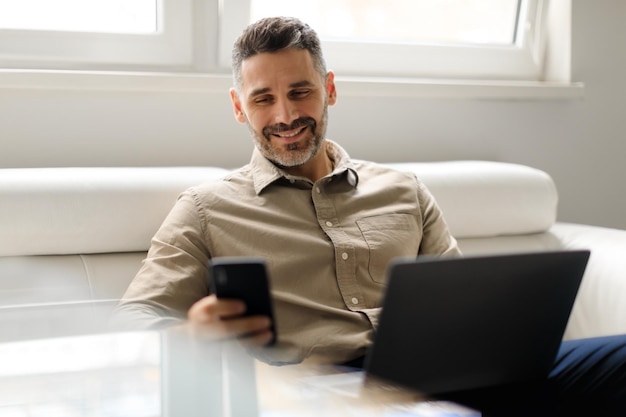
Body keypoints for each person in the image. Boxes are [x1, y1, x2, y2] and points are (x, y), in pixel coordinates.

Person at [114, 16, 626, 416]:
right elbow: (130, 331)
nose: (286, 116)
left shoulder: (402, 190)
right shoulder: (206, 209)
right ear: (238, 106)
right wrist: (194, 334)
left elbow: (464, 299)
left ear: (329, 88)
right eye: (263, 99)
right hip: (330, 395)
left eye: (300, 92)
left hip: (451, 374)